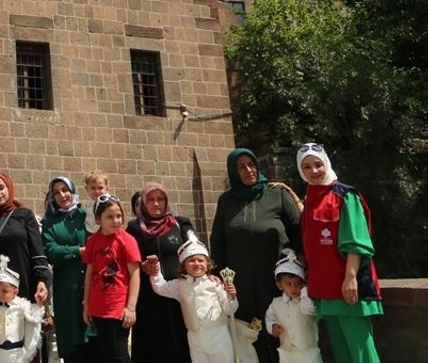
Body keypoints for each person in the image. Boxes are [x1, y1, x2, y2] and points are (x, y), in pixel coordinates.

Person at [210, 148, 303, 363]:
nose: (248, 170)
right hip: (242, 283)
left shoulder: (276, 194)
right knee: (251, 331)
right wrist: (219, 276)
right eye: (241, 167)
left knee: (282, 328)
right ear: (233, 172)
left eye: (251, 164)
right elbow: (218, 240)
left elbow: (298, 229)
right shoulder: (226, 201)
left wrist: (301, 263)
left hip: (278, 280)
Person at [296, 143, 383, 363]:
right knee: (342, 353)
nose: (314, 171)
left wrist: (350, 278)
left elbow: (355, 240)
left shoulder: (345, 195)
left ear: (326, 163)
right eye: (307, 167)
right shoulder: (310, 200)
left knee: (362, 353)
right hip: (325, 289)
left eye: (318, 164)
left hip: (347, 286)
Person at [129, 181, 194, 363]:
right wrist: (143, 266)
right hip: (150, 299)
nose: (156, 203)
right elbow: (129, 261)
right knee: (156, 347)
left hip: (179, 296)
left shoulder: (180, 224)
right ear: (143, 203)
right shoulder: (134, 229)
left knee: (183, 343)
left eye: (160, 199)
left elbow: (196, 251)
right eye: (151, 199)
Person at [149, 234, 238, 363]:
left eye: (201, 260)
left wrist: (232, 297)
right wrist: (156, 270)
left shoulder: (215, 283)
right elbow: (160, 288)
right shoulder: (179, 285)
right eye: (191, 261)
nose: (197, 264)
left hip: (218, 335)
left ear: (208, 264)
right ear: (184, 265)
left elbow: (229, 309)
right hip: (195, 337)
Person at [0, 173, 49, 312]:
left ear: (9, 188)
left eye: (1, 187)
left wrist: (42, 280)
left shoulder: (25, 215)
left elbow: (37, 251)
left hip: (25, 284)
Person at [82, 194, 140, 363]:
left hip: (118, 307)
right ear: (98, 219)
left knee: (119, 354)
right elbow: (89, 273)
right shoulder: (92, 241)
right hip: (98, 307)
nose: (115, 220)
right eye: (110, 217)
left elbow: (135, 274)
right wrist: (86, 305)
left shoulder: (127, 240)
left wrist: (131, 307)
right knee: (105, 355)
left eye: (118, 216)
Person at [40, 177, 88, 363]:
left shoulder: (86, 216)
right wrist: (78, 251)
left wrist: (66, 251)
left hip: (89, 282)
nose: (62, 195)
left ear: (73, 191)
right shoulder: (50, 222)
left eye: (65, 190)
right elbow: (51, 251)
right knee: (70, 339)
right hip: (66, 286)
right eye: (56, 192)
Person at [264, 250, 319, 363]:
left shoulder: (305, 301)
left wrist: (304, 291)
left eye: (297, 284)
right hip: (287, 353)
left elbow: (308, 310)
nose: (293, 288)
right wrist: (272, 326)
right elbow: (269, 318)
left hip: (308, 353)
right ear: (279, 285)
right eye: (288, 284)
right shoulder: (276, 303)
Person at [81, 171, 109, 235]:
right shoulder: (89, 202)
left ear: (106, 188)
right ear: (87, 189)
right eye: (93, 188)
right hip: (89, 233)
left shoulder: (108, 203)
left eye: (100, 188)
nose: (97, 191)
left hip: (104, 233)